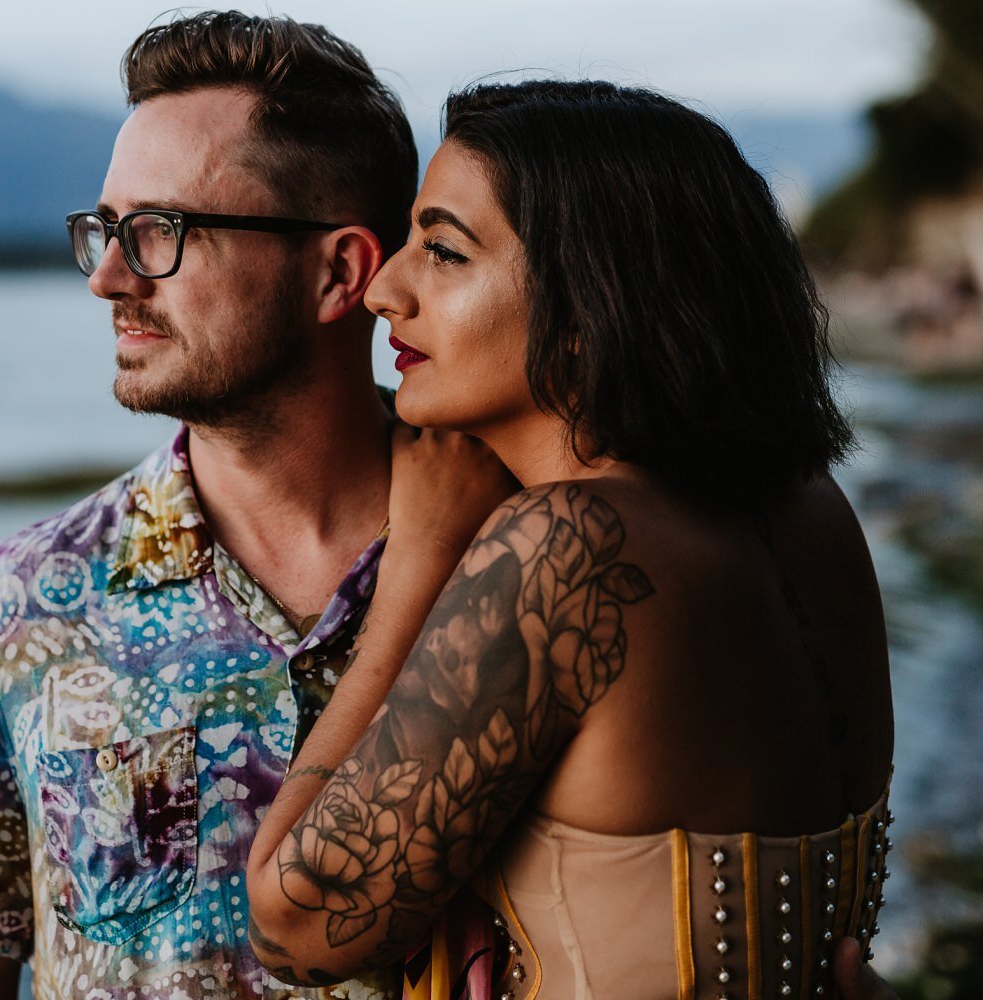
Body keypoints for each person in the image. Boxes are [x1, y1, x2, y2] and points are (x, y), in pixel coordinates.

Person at [245, 80, 899, 1000]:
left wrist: (423, 561)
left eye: (441, 250)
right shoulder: (812, 510)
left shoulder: (570, 547)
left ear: (591, 303)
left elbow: (295, 928)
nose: (386, 289)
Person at [0, 12, 420, 999]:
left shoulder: (520, 553)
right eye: (105, 230)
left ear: (339, 270)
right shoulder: (20, 608)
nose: (107, 277)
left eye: (160, 231)